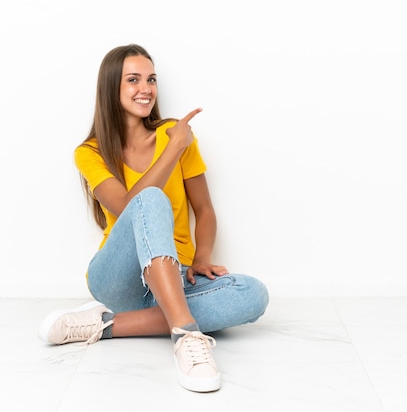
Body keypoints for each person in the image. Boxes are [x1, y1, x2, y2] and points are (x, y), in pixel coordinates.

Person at [38, 44, 269, 393]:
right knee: (149, 198)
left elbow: (204, 210)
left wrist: (202, 259)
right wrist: (173, 148)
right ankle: (187, 336)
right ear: (111, 88)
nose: (145, 89)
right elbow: (129, 205)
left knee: (253, 295)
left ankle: (103, 325)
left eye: (151, 79)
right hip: (119, 279)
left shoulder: (175, 133)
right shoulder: (90, 152)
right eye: (133, 80)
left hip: (175, 276)